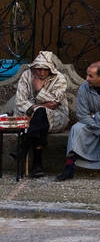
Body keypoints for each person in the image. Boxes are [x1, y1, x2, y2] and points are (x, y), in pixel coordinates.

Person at [15, 50, 69, 179]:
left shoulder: (59, 78)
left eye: (45, 69)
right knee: (40, 116)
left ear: (50, 69)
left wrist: (39, 89)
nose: (42, 73)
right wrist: (39, 107)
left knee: (41, 114)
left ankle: (24, 147)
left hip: (57, 118)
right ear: (34, 68)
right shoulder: (27, 76)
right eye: (38, 69)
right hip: (29, 117)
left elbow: (55, 103)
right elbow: (20, 101)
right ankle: (37, 165)